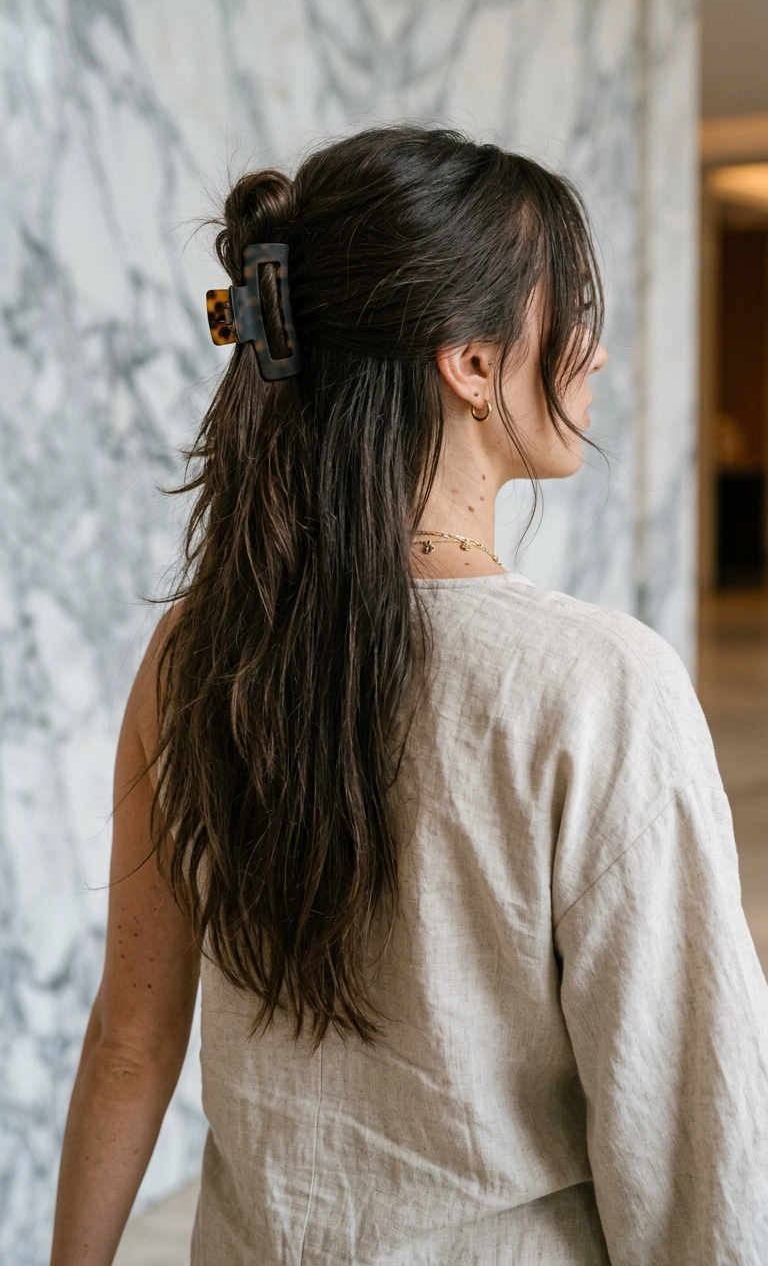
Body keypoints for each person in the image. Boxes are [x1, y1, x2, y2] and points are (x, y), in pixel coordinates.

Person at [51, 127, 768, 1266]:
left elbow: (129, 1037)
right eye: (565, 305)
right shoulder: (599, 688)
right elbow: (691, 1135)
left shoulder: (193, 652)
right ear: (470, 362)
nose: (595, 349)